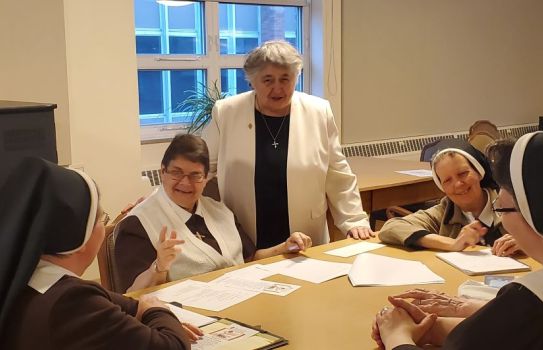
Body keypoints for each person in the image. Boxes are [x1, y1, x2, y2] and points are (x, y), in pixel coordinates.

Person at [373, 131, 543, 350]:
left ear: (538, 216)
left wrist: (397, 336)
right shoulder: (532, 305)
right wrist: (458, 315)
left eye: (504, 207)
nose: (458, 185)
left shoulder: (535, 300)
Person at [0, 157, 198, 349]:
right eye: (101, 219)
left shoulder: (22, 276)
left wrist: (147, 313)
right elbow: (174, 346)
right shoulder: (70, 302)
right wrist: (158, 310)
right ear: (80, 235)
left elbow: (118, 303)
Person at [203, 40, 372, 249]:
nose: (278, 88)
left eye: (285, 79)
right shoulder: (227, 112)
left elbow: (337, 173)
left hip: (305, 232)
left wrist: (353, 220)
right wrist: (165, 206)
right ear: (252, 81)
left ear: (296, 78)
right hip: (245, 232)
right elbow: (201, 170)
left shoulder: (318, 111)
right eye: (268, 80)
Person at [115, 134, 312, 292]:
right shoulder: (138, 223)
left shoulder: (219, 210)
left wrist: (286, 247)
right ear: (162, 172)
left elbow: (250, 259)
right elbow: (133, 294)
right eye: (176, 173)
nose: (185, 182)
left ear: (206, 178)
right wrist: (159, 267)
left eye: (195, 175)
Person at [379, 141, 519, 255]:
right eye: (447, 181)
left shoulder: (512, 204)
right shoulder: (445, 212)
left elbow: (540, 236)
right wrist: (452, 243)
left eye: (463, 173)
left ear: (479, 172)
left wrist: (524, 241)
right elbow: (391, 228)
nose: (457, 184)